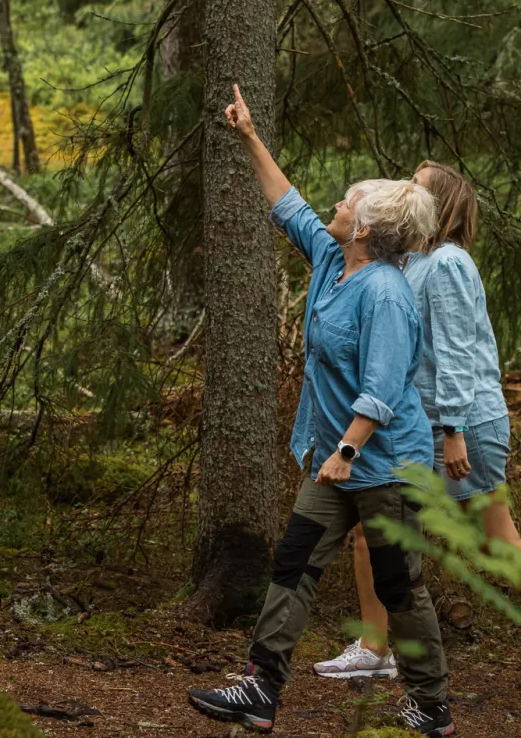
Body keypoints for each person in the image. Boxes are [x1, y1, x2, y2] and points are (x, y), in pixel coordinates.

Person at [185, 85, 456, 738]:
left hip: (383, 462)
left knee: (397, 584)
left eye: (348, 200)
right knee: (295, 563)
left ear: (365, 226)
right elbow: (287, 205)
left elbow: (383, 389)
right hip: (339, 459)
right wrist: (249, 135)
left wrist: (347, 451)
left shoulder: (385, 294)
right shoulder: (333, 257)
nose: (336, 202)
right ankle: (259, 688)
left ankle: (433, 706)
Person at [313, 160, 521, 701]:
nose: (403, 188)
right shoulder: (405, 262)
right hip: (416, 426)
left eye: (416, 186)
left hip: (463, 425)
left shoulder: (448, 263)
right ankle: (375, 649)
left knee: (496, 539)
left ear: (440, 205)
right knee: (372, 529)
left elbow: (454, 354)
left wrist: (453, 430)